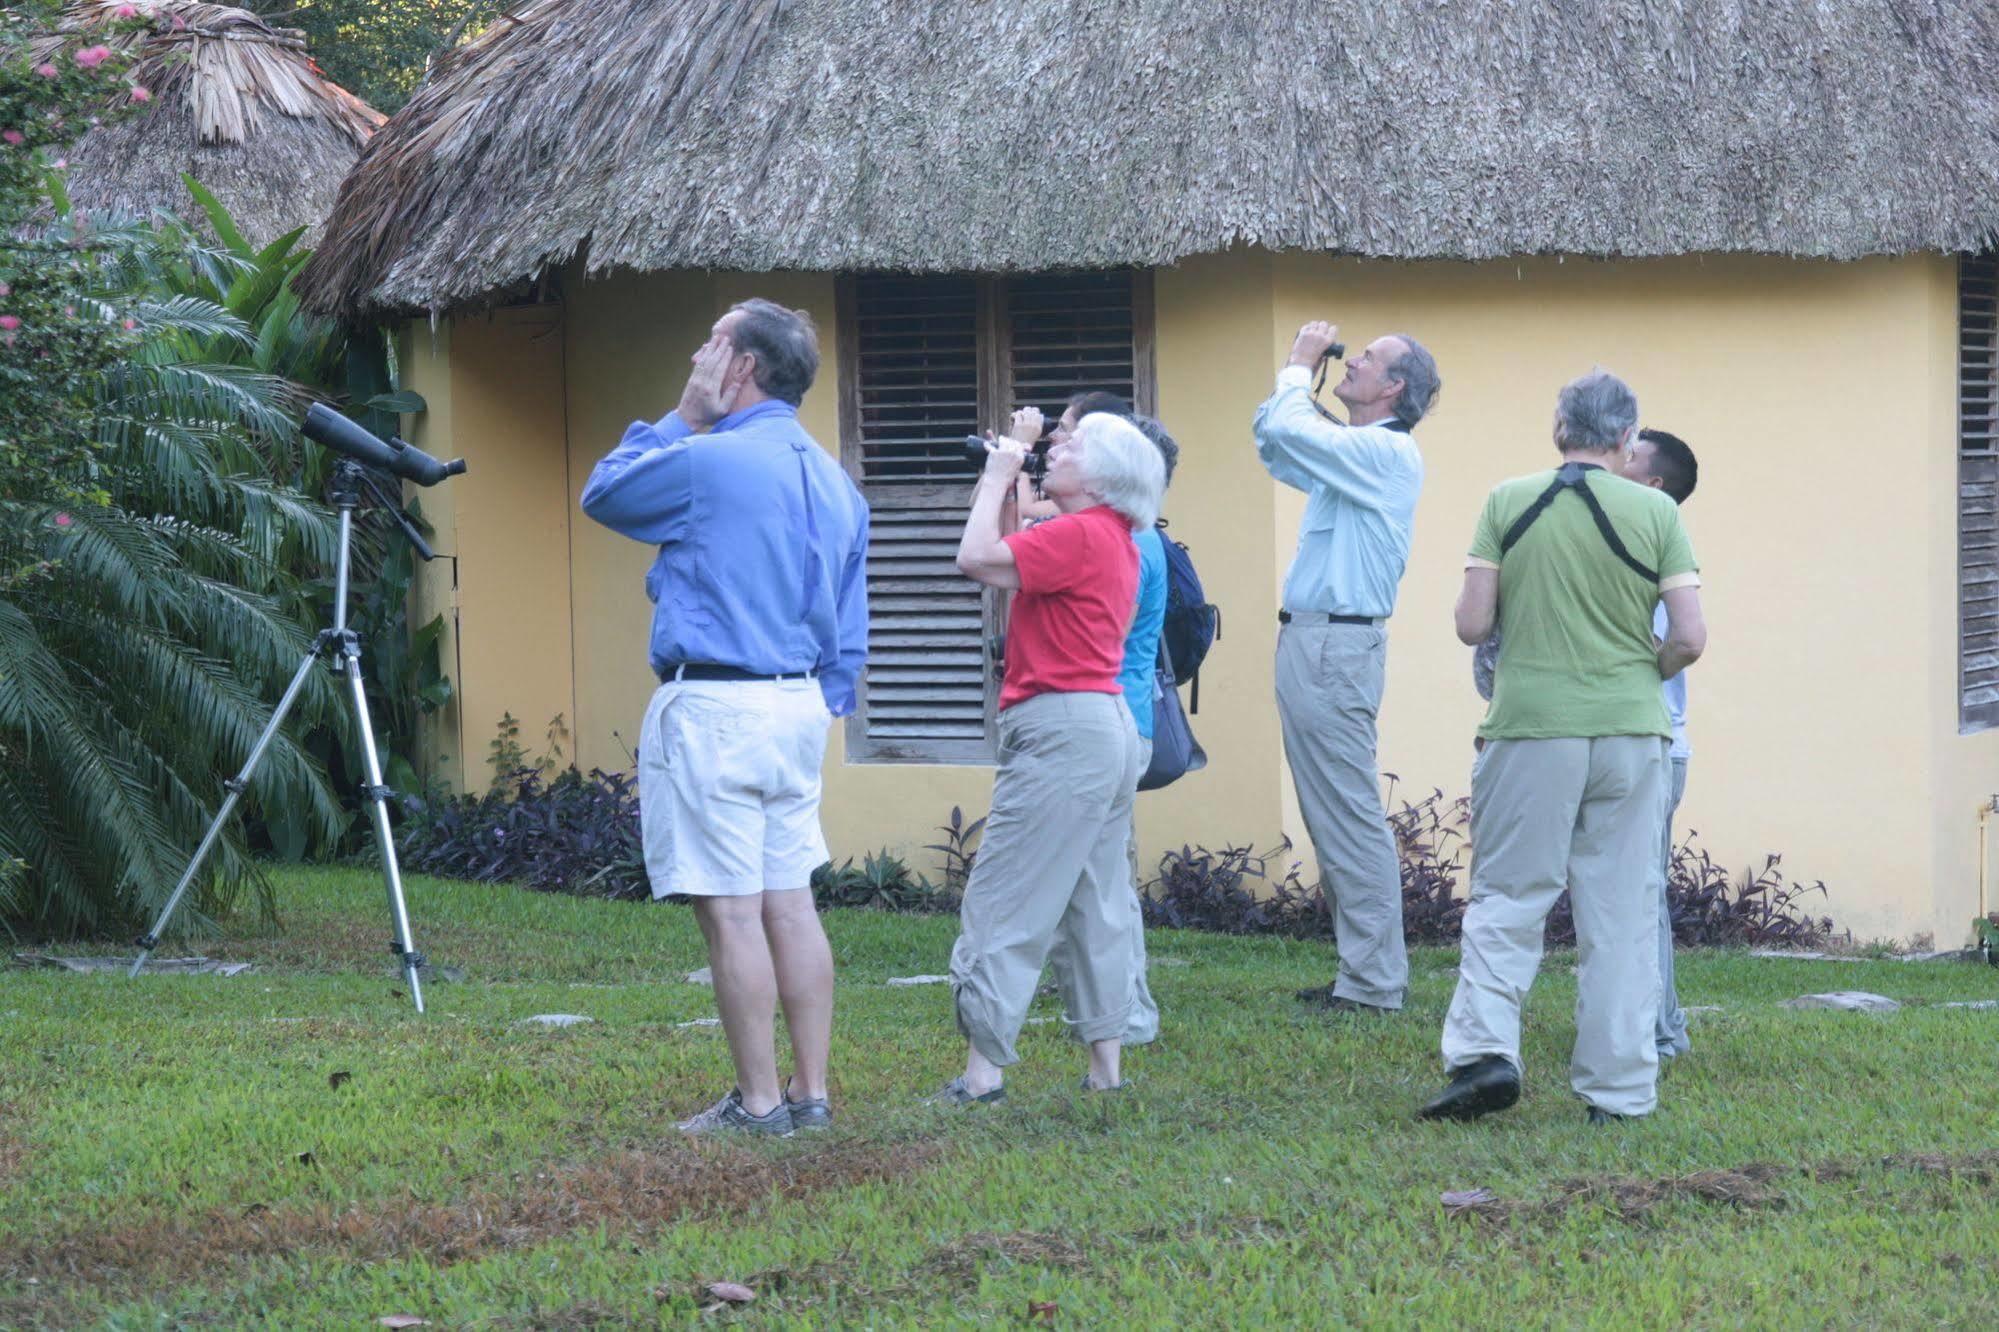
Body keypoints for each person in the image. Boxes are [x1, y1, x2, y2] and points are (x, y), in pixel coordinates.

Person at [579, 299, 868, 1137]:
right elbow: (849, 629)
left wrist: (683, 414)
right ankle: (809, 1094)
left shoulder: (709, 459)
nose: (700, 353)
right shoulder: (836, 482)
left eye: (712, 342)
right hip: (797, 706)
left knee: (734, 912)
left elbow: (606, 494)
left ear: (741, 367)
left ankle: (759, 1103)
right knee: (790, 902)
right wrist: (821, 702)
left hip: (716, 700)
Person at [1424, 371, 1705, 1126]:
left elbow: (1470, 625)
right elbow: (1688, 636)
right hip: (1631, 731)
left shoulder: (1506, 500)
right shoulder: (1655, 511)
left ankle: (1484, 1052)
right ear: (1625, 439)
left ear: (1558, 430)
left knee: (1508, 898)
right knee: (1620, 910)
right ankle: (1618, 1092)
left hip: (1529, 727)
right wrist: (1645, 667)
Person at [932, 408, 1165, 1103]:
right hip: (1104, 726)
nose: (1057, 448)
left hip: (1061, 728)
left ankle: (982, 1076)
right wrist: (1006, 485)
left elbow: (973, 559)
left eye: (1074, 443)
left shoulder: (1082, 534)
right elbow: (1008, 561)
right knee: (1097, 902)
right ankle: (1105, 1069)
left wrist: (998, 471)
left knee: (1008, 896)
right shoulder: (1109, 536)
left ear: (1105, 474)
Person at [1252, 321, 1441, 1014]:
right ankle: (1359, 973)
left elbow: (1295, 431)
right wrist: (1294, 378)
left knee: (1347, 813)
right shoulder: (1354, 452)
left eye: (1368, 357)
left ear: (1394, 386)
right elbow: (1276, 442)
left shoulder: (1385, 454)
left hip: (1335, 646)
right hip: (1315, 643)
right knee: (1329, 811)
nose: (1351, 360)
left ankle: (1371, 983)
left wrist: (1302, 366)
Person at [1619, 428, 1700, 1060]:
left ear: (1654, 486)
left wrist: (1641, 675)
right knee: (1630, 890)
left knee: (1640, 892)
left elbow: (1684, 641)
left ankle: (1662, 1032)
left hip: (1653, 748)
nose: (1615, 459)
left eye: (1630, 456)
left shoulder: (1658, 548)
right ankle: (1653, 1022)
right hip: (1632, 746)